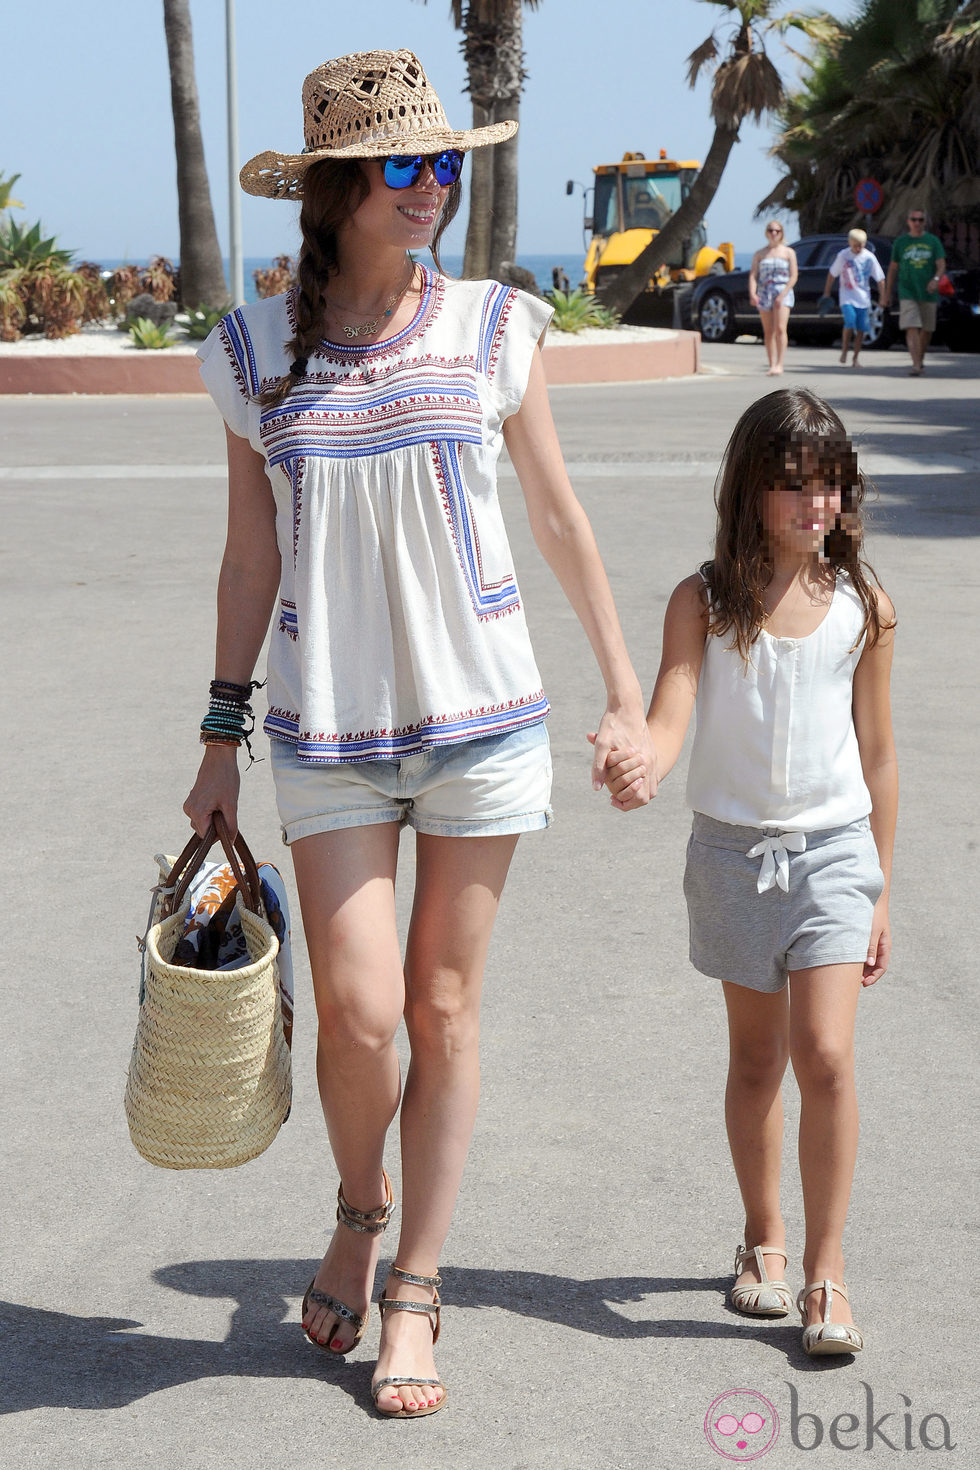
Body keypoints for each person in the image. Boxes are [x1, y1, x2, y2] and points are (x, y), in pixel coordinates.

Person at [184, 49, 652, 1419]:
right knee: (361, 1011)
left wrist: (625, 690)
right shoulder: (253, 349)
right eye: (405, 166)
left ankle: (414, 1286)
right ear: (336, 189)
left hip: (485, 720)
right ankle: (358, 1198)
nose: (435, 187)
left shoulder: (498, 324)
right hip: (328, 727)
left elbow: (560, 516)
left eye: (448, 163)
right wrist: (221, 736)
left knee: (444, 1010)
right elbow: (243, 555)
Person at [601, 389, 897, 1357]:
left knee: (824, 1057)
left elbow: (878, 754)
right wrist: (637, 756)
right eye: (791, 485)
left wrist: (880, 888)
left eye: (828, 485)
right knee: (755, 1061)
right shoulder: (703, 600)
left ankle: (825, 1273)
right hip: (730, 855)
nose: (814, 505)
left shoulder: (865, 605)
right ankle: (761, 1240)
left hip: (833, 855)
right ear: (749, 490)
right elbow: (669, 713)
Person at [883, 208, 946, 376]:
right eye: (914, 219)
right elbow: (893, 268)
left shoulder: (933, 241)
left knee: (927, 329)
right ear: (908, 221)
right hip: (907, 291)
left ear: (924, 222)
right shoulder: (901, 242)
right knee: (911, 326)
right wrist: (886, 293)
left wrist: (936, 279)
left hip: (928, 292)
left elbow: (941, 265)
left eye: (920, 220)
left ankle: (920, 357)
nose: (917, 223)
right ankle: (916, 364)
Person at [821, 229, 886, 368]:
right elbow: (832, 274)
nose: (858, 247)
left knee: (862, 328)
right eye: (856, 244)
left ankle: (855, 357)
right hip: (847, 296)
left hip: (863, 298)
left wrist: (883, 297)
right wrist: (826, 292)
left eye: (861, 244)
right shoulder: (843, 256)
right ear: (850, 243)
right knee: (850, 322)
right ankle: (844, 350)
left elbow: (880, 278)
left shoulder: (869, 257)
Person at [749, 222, 798, 376]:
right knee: (768, 331)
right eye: (771, 230)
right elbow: (753, 275)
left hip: (782, 291)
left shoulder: (788, 252)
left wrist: (783, 294)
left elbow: (794, 275)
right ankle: (771, 363)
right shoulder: (760, 253)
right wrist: (753, 293)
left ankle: (779, 363)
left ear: (781, 233)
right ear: (767, 232)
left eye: (777, 230)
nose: (774, 233)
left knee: (780, 329)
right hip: (765, 292)